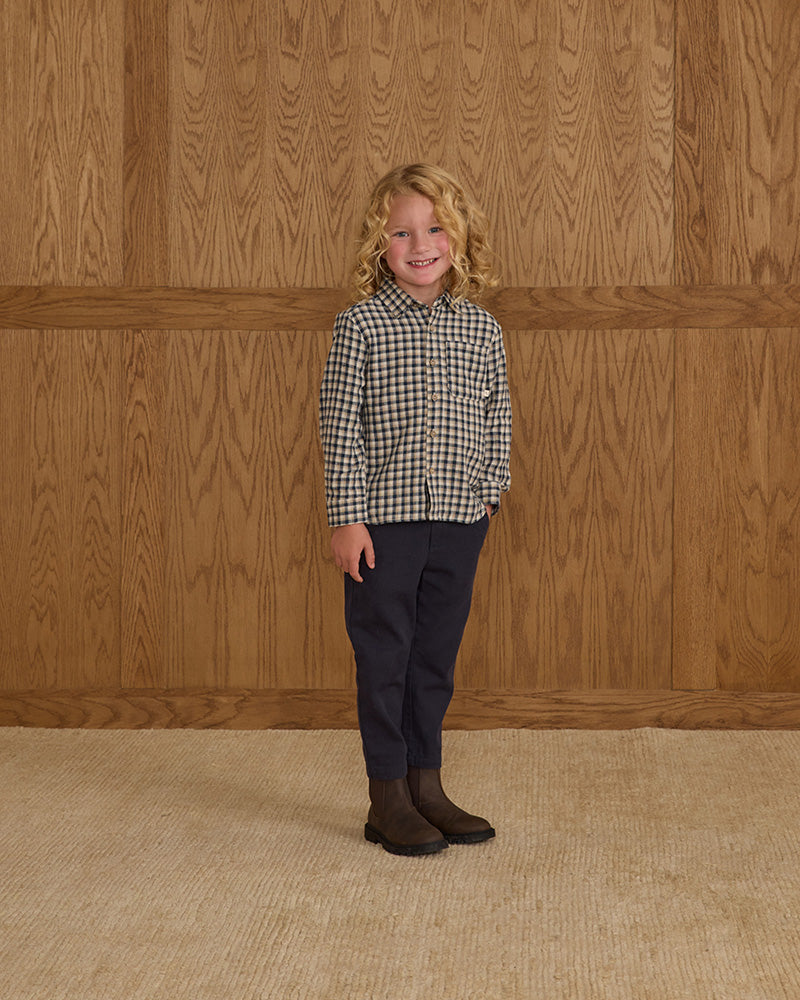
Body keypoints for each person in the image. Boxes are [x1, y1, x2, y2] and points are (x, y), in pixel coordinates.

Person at [319, 163, 512, 856]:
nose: (420, 243)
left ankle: (428, 786)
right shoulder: (361, 327)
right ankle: (388, 797)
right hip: (383, 526)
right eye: (401, 232)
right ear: (380, 244)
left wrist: (491, 489)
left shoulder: (481, 331)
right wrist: (347, 517)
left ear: (458, 240)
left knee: (434, 657)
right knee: (385, 656)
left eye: (435, 229)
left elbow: (498, 415)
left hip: (460, 521)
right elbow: (339, 425)